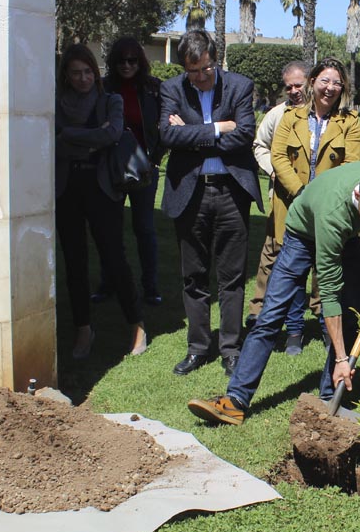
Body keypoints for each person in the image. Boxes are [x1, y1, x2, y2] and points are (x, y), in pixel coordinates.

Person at [187, 161, 360, 425]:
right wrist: (341, 358)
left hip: (346, 237)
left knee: (351, 315)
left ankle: (330, 399)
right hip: (301, 236)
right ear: (359, 195)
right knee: (270, 316)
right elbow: (328, 295)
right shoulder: (333, 215)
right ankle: (235, 401)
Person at [159, 31, 262, 378]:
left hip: (231, 191)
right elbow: (167, 135)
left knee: (232, 277)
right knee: (194, 275)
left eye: (205, 70)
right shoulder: (172, 89)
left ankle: (230, 348)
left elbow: (245, 135)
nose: (200, 78)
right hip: (191, 194)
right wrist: (218, 127)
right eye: (193, 72)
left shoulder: (239, 86)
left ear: (215, 60)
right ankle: (198, 347)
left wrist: (192, 133)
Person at [53, 44, 148, 360]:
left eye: (88, 72)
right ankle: (83, 329)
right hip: (67, 187)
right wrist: (87, 136)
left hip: (102, 187)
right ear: (66, 75)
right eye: (76, 73)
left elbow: (112, 135)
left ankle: (136, 325)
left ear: (95, 73)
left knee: (113, 257)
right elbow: (53, 140)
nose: (83, 78)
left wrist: (69, 136)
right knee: (74, 261)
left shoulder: (110, 100)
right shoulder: (56, 104)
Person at [268, 58, 360, 350]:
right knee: (295, 273)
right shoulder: (291, 117)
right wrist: (302, 194)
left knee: (329, 274)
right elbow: (278, 157)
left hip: (331, 214)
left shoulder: (351, 121)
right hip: (294, 207)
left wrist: (322, 198)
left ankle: (327, 328)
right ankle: (294, 330)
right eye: (325, 81)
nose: (330, 88)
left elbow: (352, 164)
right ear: (312, 82)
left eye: (337, 83)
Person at [92, 38, 165, 306]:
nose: (126, 65)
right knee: (110, 228)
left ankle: (150, 287)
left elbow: (164, 127)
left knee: (144, 228)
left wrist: (155, 158)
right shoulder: (104, 87)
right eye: (121, 60)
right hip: (111, 167)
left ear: (140, 62)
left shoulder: (152, 89)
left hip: (144, 167)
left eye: (132, 60)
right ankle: (109, 282)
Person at [246, 61, 313, 349]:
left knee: (318, 255)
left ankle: (320, 312)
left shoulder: (322, 111)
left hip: (315, 195)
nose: (295, 91)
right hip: (282, 195)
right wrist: (272, 169)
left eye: (299, 85)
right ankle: (258, 311)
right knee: (273, 251)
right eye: (289, 87)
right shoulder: (276, 114)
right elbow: (259, 145)